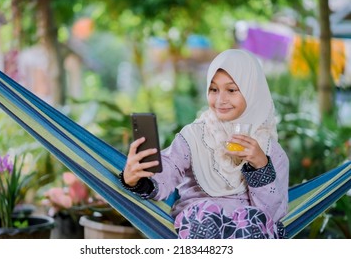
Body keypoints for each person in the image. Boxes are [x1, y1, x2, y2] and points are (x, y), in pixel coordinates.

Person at [119, 49, 289, 239]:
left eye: (231, 90)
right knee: (206, 214)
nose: (220, 100)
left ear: (252, 92)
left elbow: (272, 214)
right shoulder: (194, 136)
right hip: (201, 227)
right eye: (213, 89)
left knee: (250, 219)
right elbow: (169, 167)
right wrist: (138, 178)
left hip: (248, 231)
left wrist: (261, 166)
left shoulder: (270, 151)